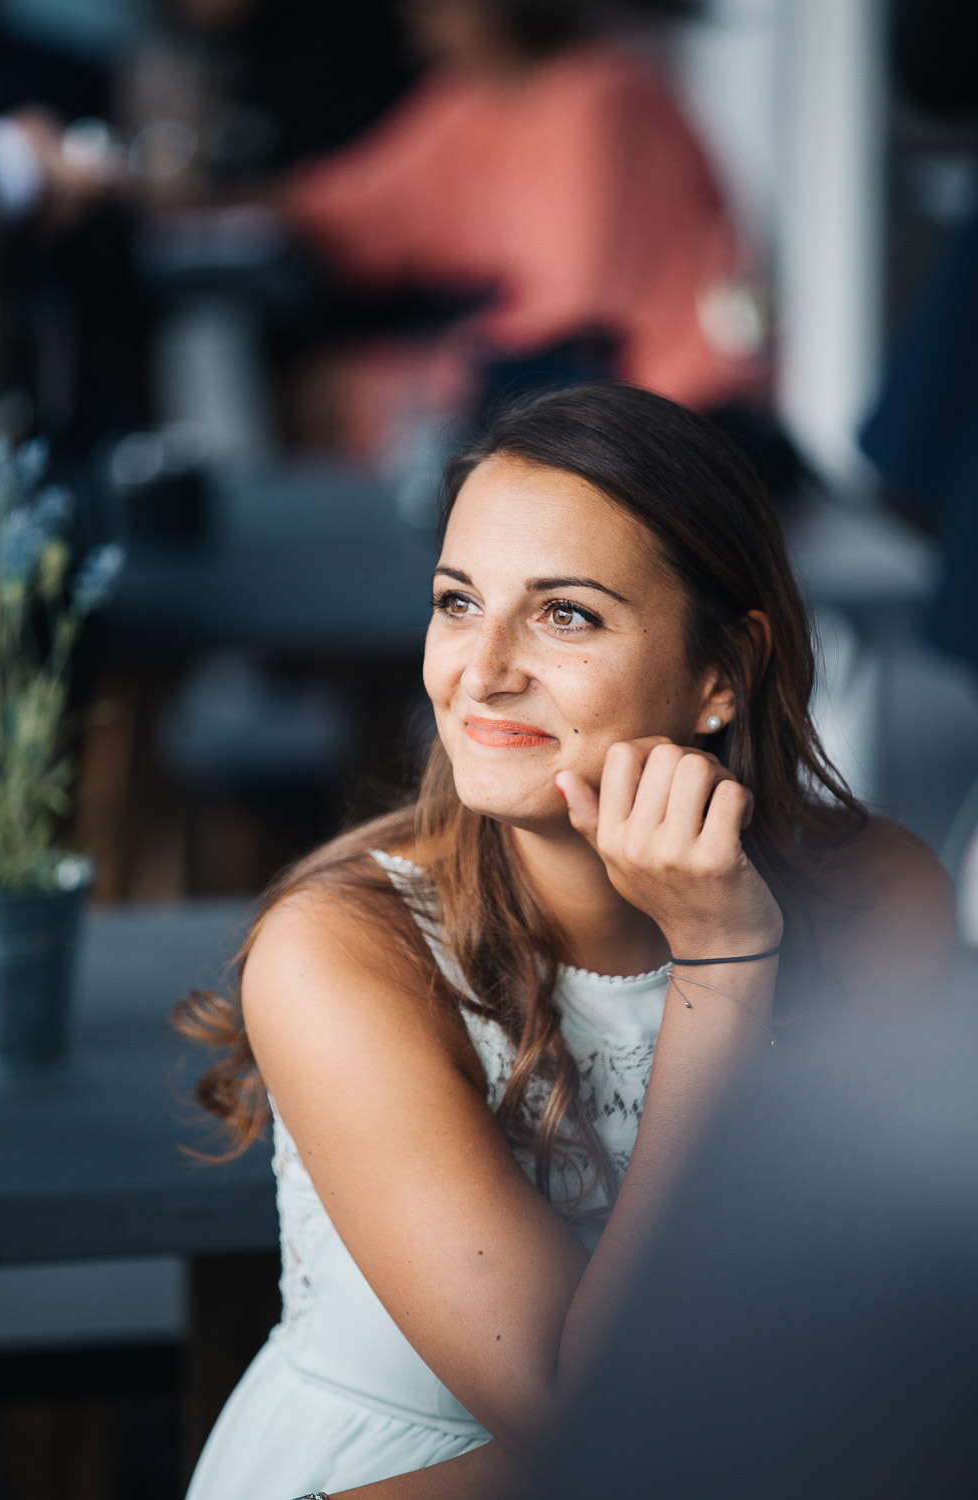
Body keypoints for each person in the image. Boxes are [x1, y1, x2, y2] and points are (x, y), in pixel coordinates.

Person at [178, 382, 955, 1500]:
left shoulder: (881, 895)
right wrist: (722, 962)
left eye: (565, 615)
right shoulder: (339, 952)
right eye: (457, 602)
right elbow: (588, 1415)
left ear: (718, 673)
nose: (482, 669)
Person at [272, 0, 760, 455]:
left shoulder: (604, 98)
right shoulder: (477, 99)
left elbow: (576, 320)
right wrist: (233, 201)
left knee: (358, 400)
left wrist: (417, 377)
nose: (419, 25)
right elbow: (362, 205)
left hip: (657, 413)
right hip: (554, 379)